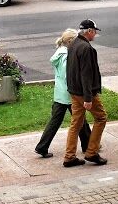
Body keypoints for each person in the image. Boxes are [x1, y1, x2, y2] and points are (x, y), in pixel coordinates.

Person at [34, 29, 91, 158]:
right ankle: (88, 145)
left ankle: (42, 147)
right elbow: (68, 75)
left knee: (55, 122)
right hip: (70, 93)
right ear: (71, 41)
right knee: (80, 119)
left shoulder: (59, 52)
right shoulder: (67, 55)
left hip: (59, 94)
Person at [63, 19, 107, 167]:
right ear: (89, 31)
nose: (95, 34)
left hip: (74, 91)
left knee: (76, 123)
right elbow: (86, 75)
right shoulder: (86, 49)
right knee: (101, 118)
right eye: (94, 31)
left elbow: (70, 70)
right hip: (85, 93)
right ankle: (92, 152)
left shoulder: (73, 44)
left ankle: (69, 157)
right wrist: (88, 98)